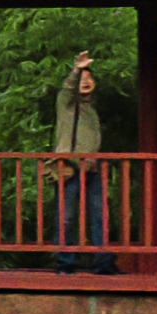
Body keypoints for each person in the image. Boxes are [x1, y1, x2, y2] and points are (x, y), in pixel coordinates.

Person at [48, 48, 114, 273]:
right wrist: (77, 69)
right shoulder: (66, 105)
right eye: (82, 79)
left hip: (92, 169)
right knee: (66, 218)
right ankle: (65, 263)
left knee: (99, 216)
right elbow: (67, 89)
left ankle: (102, 262)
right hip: (69, 167)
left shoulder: (92, 111)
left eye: (89, 77)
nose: (86, 81)